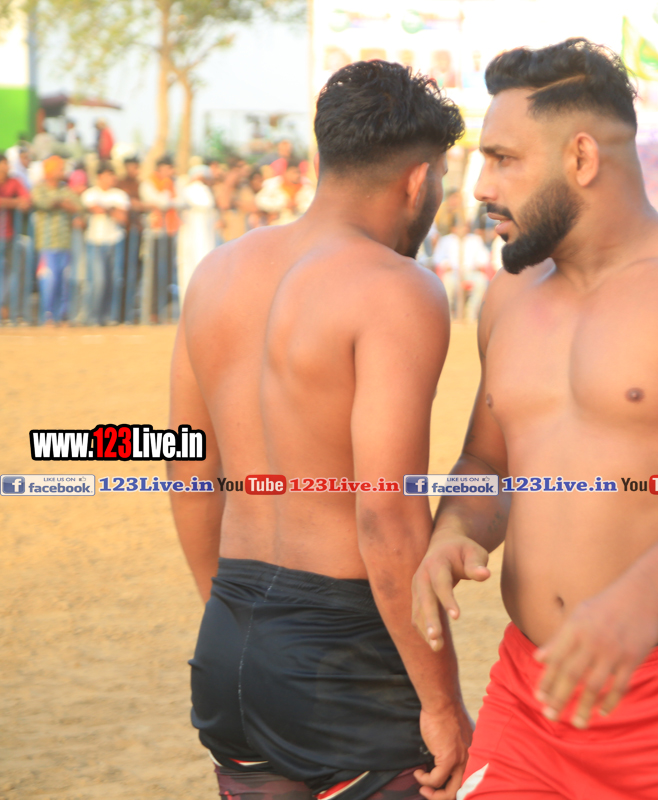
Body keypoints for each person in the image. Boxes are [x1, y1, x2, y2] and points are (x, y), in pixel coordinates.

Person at [412, 39, 658, 800]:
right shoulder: (508, 297)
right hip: (530, 697)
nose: (481, 187)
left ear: (582, 157)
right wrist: (456, 529)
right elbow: (489, 465)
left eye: (503, 159)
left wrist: (638, 598)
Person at [167, 60, 472, 800]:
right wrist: (441, 702)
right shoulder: (397, 289)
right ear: (418, 180)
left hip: (229, 635)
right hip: (344, 654)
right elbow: (387, 513)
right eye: (442, 179)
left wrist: (232, 620)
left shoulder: (216, 273)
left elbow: (185, 467)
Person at [31, 155, 80, 325]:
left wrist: (62, 203)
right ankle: (48, 316)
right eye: (59, 168)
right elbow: (42, 202)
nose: (62, 171)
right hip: (46, 243)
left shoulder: (65, 189)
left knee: (63, 281)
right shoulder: (40, 188)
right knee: (48, 280)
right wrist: (60, 202)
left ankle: (62, 315)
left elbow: (78, 205)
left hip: (64, 243)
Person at [80, 162, 130, 325]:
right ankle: (93, 316)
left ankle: (109, 316)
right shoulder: (90, 193)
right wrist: (112, 209)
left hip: (115, 241)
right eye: (108, 175)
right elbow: (95, 209)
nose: (111, 178)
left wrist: (107, 209)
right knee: (98, 281)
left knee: (114, 280)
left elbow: (122, 217)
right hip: (95, 241)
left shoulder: (120, 195)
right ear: (99, 177)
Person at [141, 156, 181, 322]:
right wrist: (166, 188)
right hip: (155, 234)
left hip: (170, 232)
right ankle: (152, 312)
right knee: (154, 274)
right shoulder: (150, 184)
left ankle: (165, 311)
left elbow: (180, 202)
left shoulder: (175, 183)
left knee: (168, 275)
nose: (170, 172)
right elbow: (163, 203)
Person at [432, 217, 491, 320]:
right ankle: (449, 316)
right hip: (453, 272)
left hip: (470, 272)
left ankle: (470, 313)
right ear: (453, 228)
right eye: (460, 227)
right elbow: (437, 258)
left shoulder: (475, 240)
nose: (464, 229)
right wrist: (446, 264)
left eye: (465, 226)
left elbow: (484, 258)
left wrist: (477, 264)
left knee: (482, 281)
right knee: (447, 282)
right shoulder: (446, 240)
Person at [177, 164, 218, 302]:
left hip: (199, 236)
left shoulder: (191, 189)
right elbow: (206, 203)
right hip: (197, 237)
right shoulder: (196, 188)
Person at [0, 154, 32, 322]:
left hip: (9, 235)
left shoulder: (14, 181)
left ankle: (7, 308)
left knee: (13, 273)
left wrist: (13, 202)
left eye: (6, 164)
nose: (5, 167)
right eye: (2, 164)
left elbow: (26, 200)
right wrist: (13, 202)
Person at [117, 158, 146, 323]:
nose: (136, 170)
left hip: (137, 232)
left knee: (134, 272)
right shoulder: (120, 184)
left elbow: (141, 205)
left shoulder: (139, 185)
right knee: (122, 272)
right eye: (134, 167)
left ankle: (129, 312)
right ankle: (120, 312)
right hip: (124, 234)